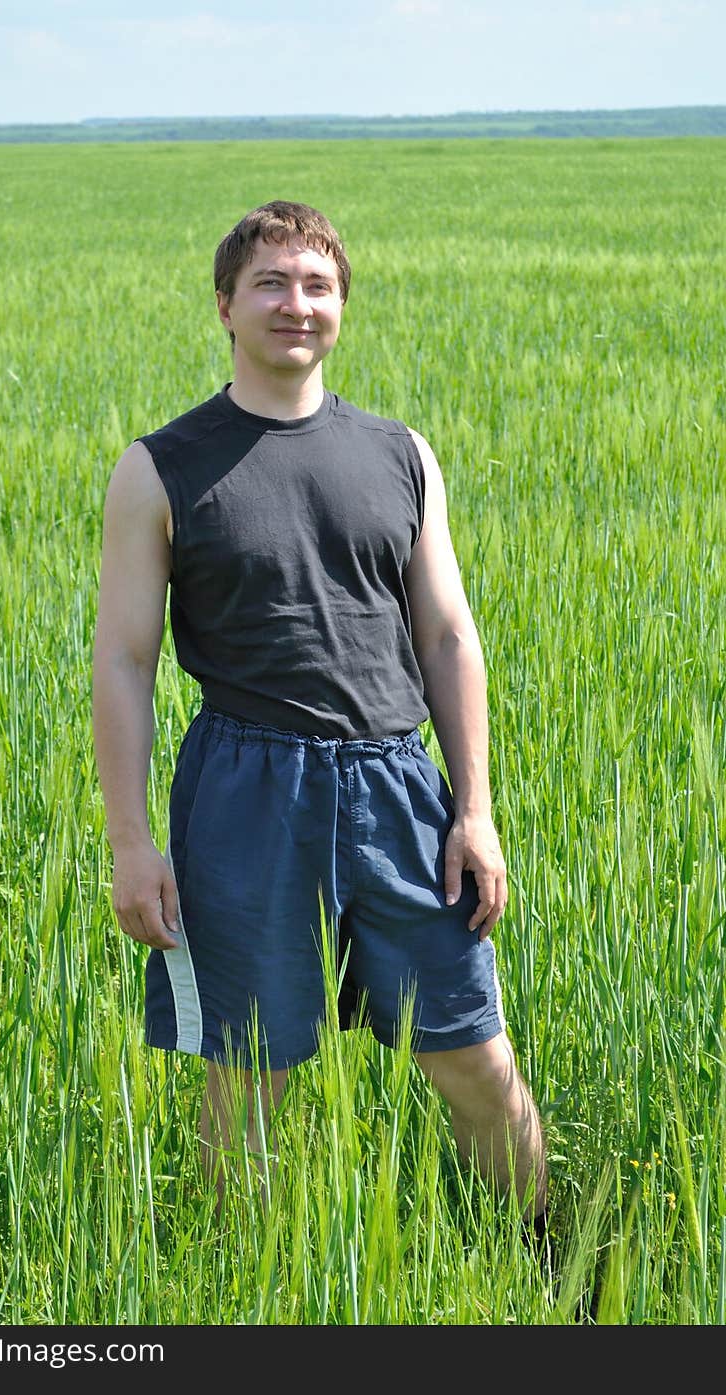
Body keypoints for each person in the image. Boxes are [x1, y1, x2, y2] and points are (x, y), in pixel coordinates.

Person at [92, 200, 547, 1226]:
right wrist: (131, 843)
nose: (296, 304)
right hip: (246, 792)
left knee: (475, 1057)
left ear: (340, 306)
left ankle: (554, 1265)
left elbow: (446, 637)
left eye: (316, 286)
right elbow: (123, 660)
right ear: (224, 306)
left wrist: (472, 809)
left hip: (398, 787)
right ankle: (235, 1291)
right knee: (247, 1078)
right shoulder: (160, 466)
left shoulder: (401, 455)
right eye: (271, 283)